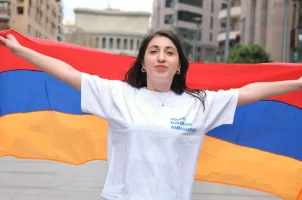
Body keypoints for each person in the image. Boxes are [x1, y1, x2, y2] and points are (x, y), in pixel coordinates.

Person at [0, 30, 301, 200]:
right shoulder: (119, 95)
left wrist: (298, 83)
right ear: (143, 63)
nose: (161, 57)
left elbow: (251, 91)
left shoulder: (199, 104)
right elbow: (68, 72)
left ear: (179, 65)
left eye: (169, 52)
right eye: (154, 51)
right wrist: (21, 51)